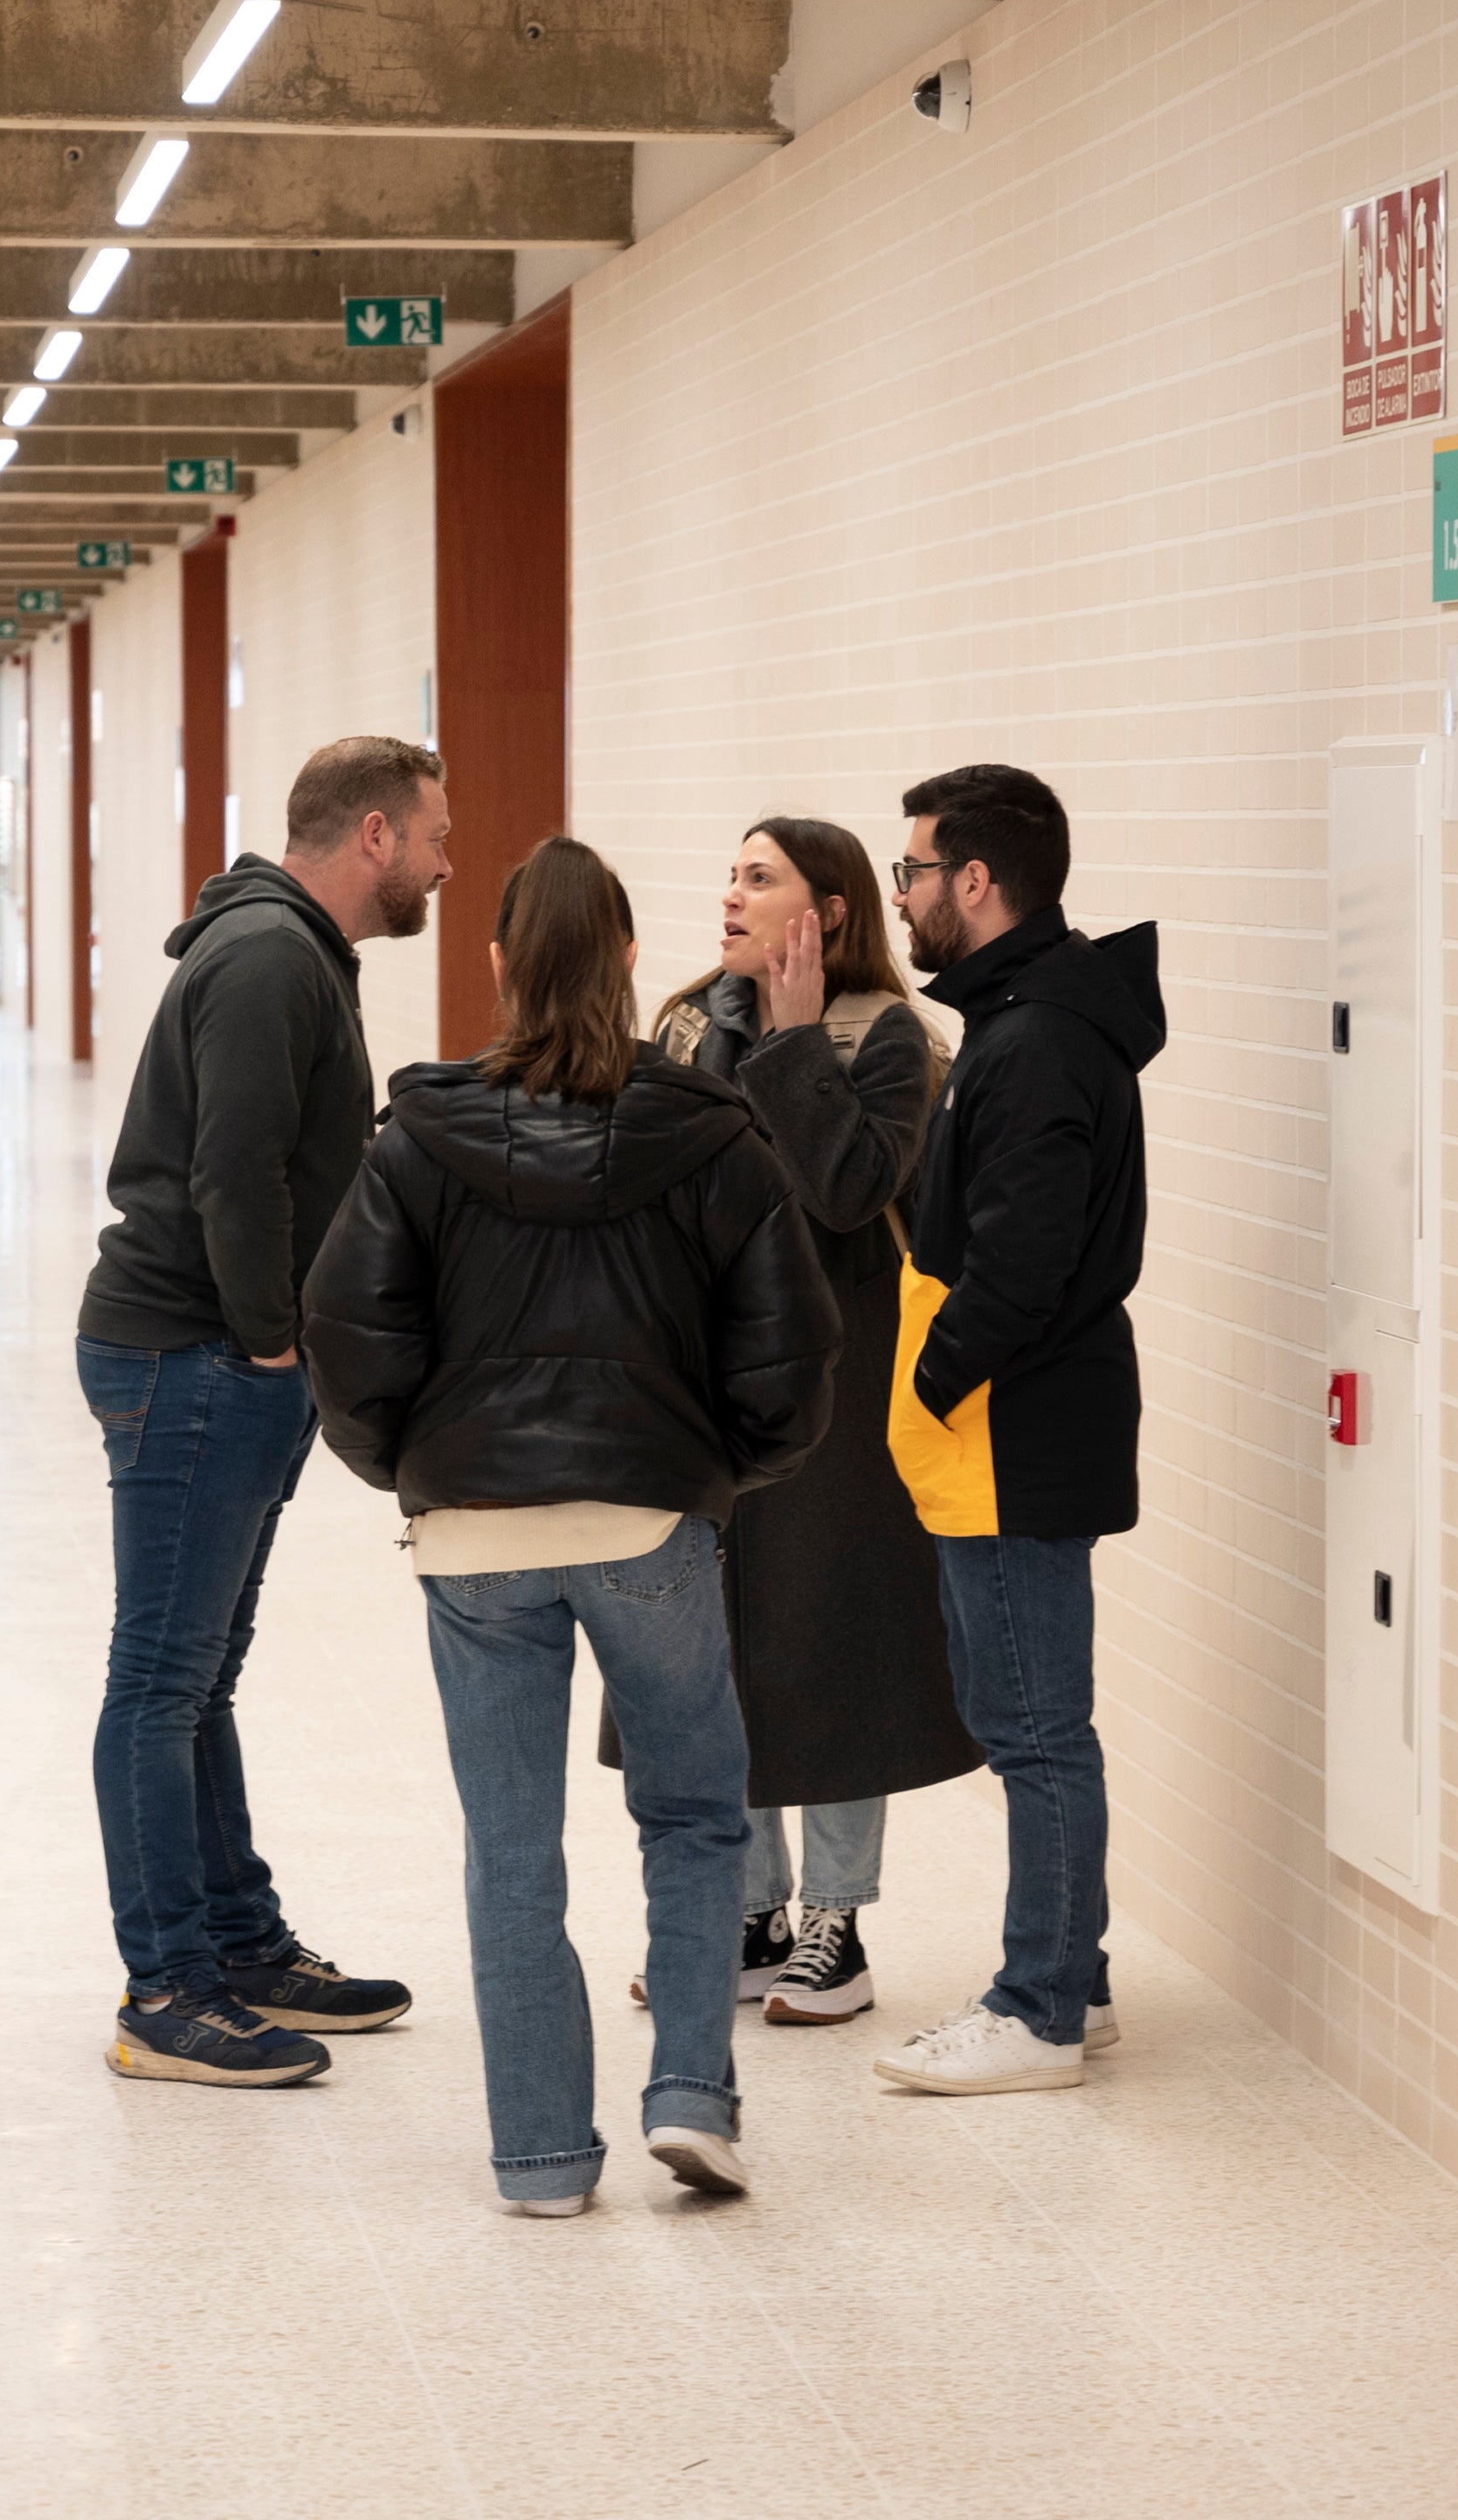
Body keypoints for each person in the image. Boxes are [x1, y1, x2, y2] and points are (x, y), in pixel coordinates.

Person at [302, 837, 838, 2212]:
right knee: (695, 1813)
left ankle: (540, 2156)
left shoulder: (419, 1137)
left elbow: (346, 1333)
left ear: (494, 967)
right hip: (649, 1519)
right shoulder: (711, 1136)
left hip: (477, 1536)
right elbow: (791, 1344)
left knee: (511, 1848)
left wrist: (414, 1468)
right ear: (620, 961)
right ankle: (690, 2097)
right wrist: (723, 1474)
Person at [75, 736, 452, 2086]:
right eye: (432, 839)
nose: (443, 865)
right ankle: (164, 1991)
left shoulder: (289, 949)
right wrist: (274, 1342)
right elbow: (237, 1175)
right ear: (370, 835)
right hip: (192, 1357)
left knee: (199, 1676)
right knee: (161, 1681)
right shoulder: (269, 958)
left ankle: (237, 1945)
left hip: (214, 1358)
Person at [612, 820, 981, 2027]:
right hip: (704, 1384)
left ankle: (838, 1923)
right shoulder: (679, 1024)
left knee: (829, 1644)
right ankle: (751, 1915)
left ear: (820, 915)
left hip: (837, 1381)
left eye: (758, 878)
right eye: (729, 871)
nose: (729, 894)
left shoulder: (890, 1039)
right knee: (717, 1645)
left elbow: (844, 1191)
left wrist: (784, 1043)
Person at [871, 765, 1161, 2096]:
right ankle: (1075, 1980)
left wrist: (935, 1377)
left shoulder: (1037, 1037)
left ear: (976, 883)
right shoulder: (1024, 1017)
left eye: (915, 872)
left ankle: (1037, 2008)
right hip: (1019, 1421)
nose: (907, 896)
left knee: (1036, 1727)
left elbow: (1024, 1259)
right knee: (1035, 1716)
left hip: (1014, 1427)